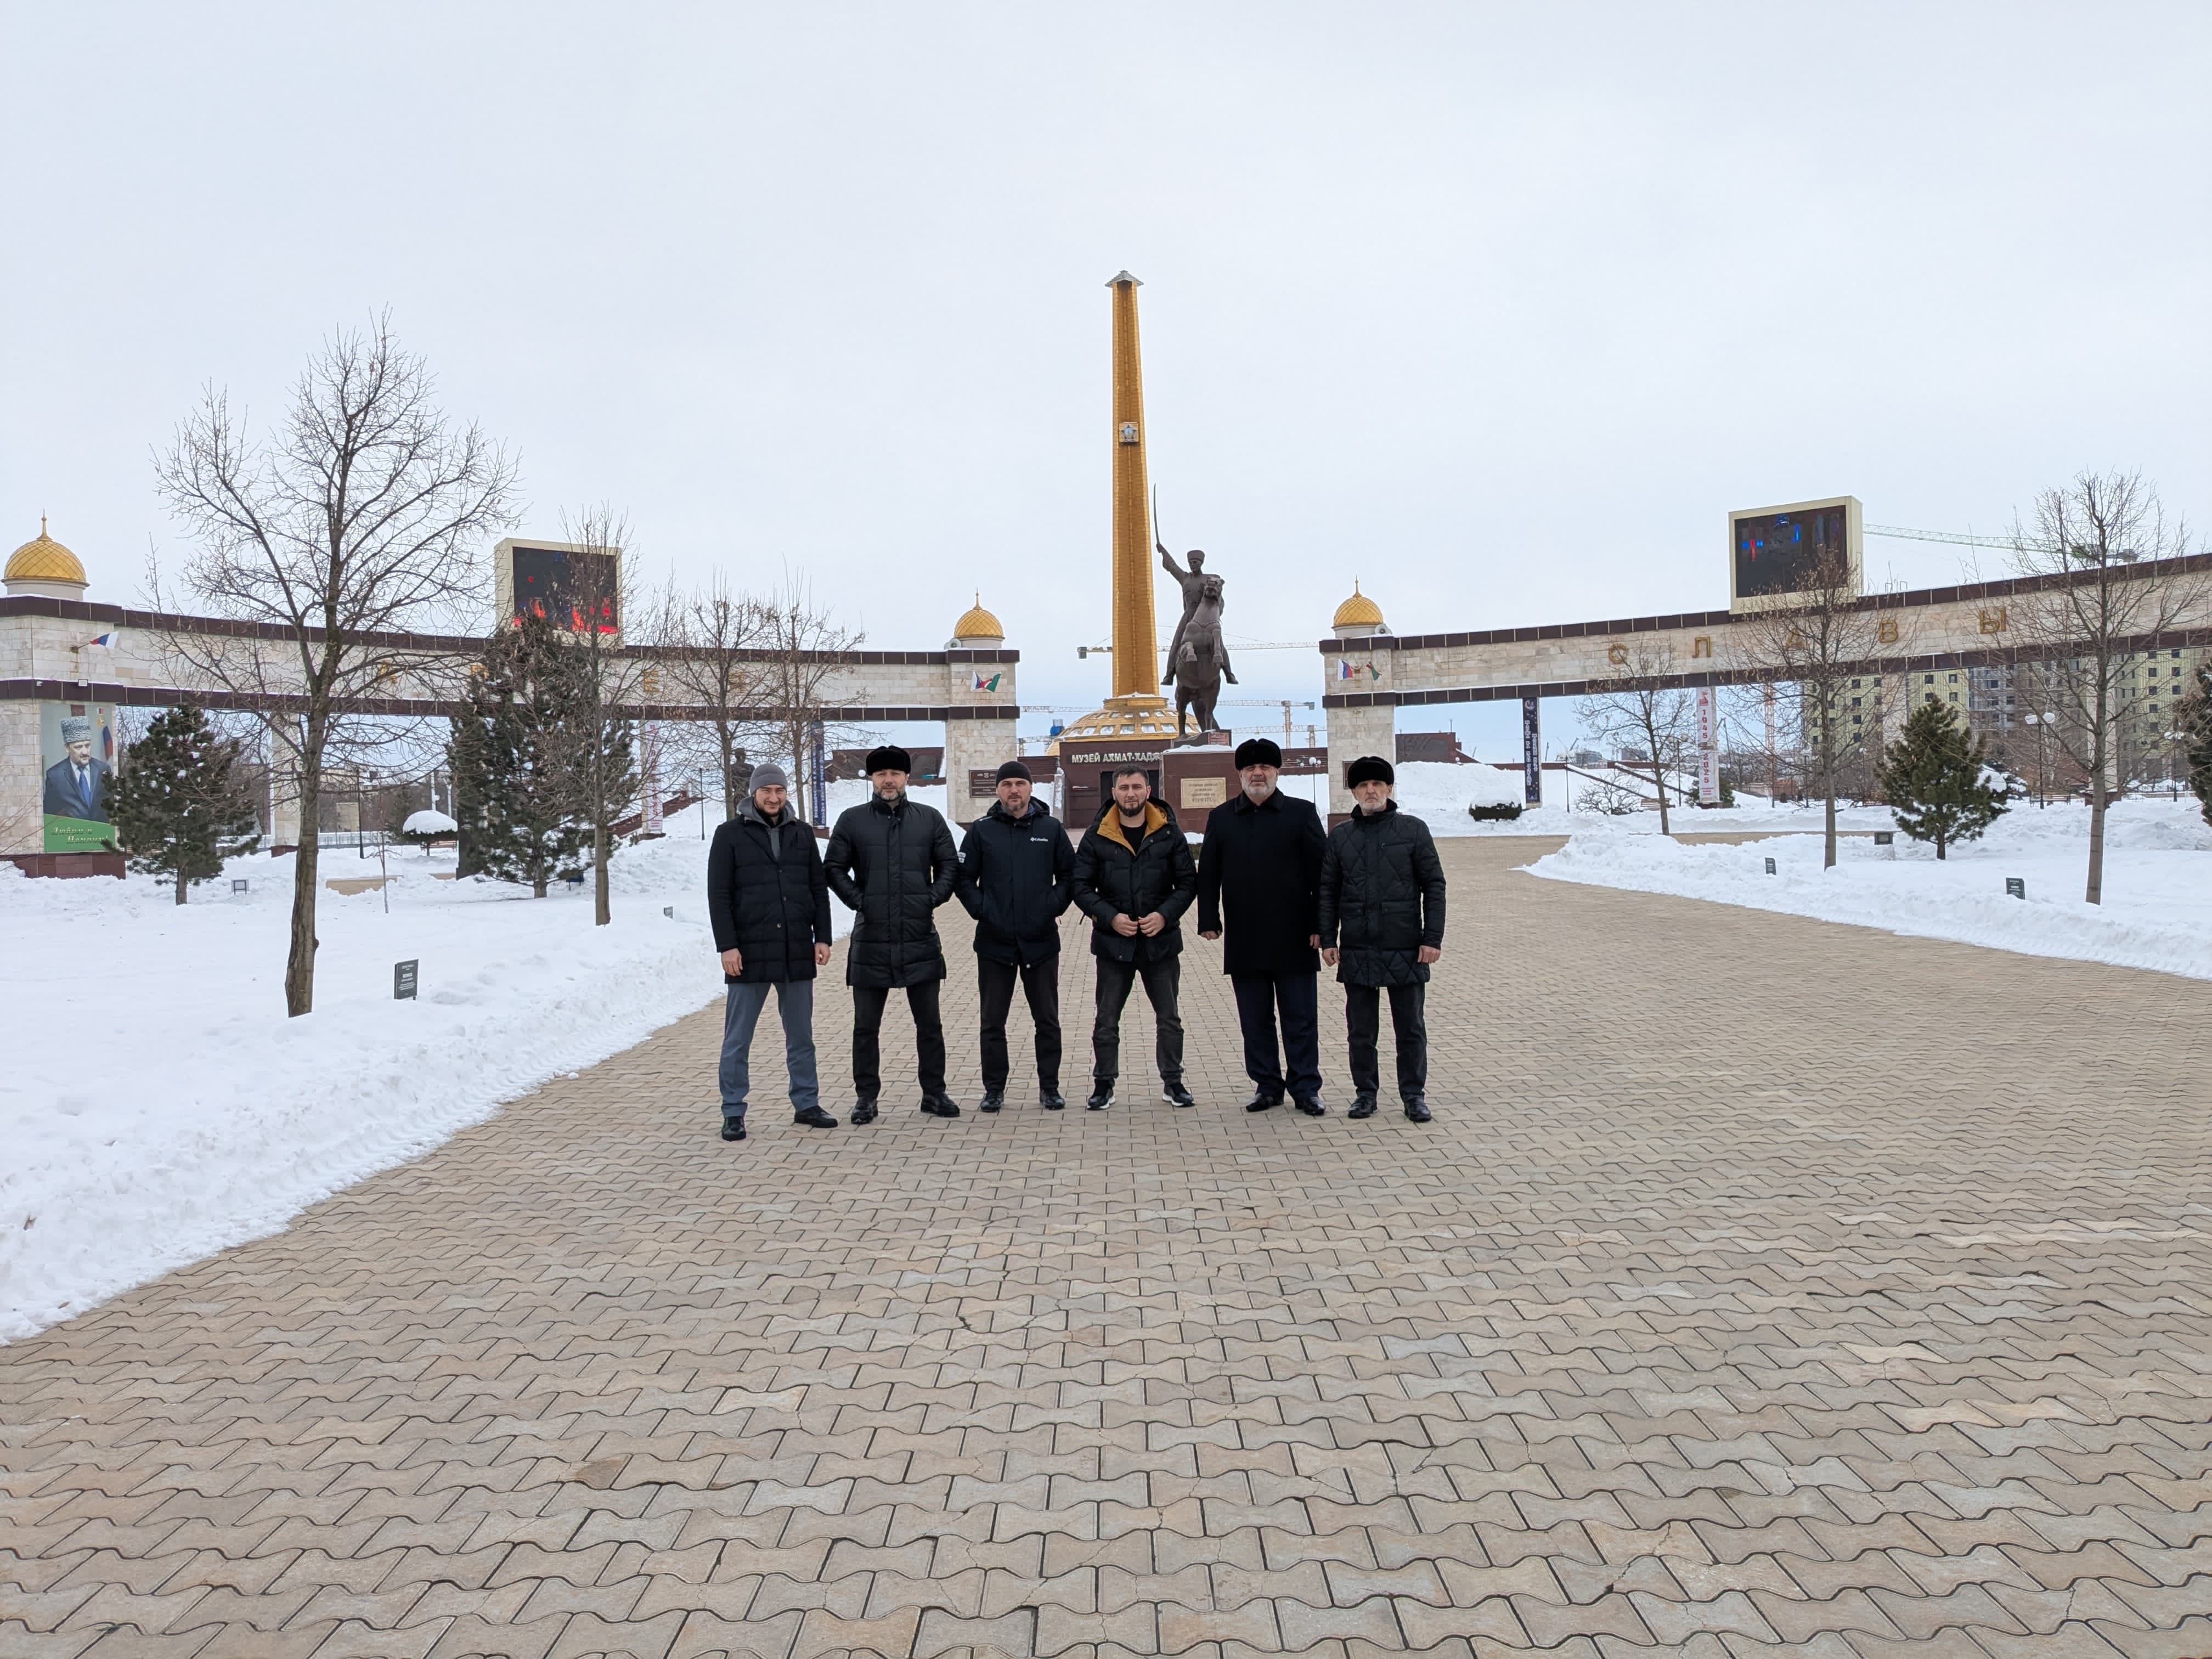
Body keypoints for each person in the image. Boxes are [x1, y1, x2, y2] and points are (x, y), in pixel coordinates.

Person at [824, 744, 961, 1121]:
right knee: (866, 1028)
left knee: (930, 1026)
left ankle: (934, 1093)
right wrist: (861, 901)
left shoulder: (929, 819)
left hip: (920, 937)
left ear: (906, 778)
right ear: (872, 778)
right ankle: (866, 1097)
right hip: (871, 939)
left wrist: (929, 899)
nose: (889, 780)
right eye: (882, 774)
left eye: (895, 774)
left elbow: (949, 866)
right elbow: (834, 868)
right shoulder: (852, 820)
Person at [1197, 737, 1329, 1116]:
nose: (1258, 774)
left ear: (1277, 772)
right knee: (1255, 1020)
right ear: (1240, 774)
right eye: (1250, 768)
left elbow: (1322, 875)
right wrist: (1209, 919)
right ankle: (1267, 1086)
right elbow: (1209, 873)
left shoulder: (1301, 813)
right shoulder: (1222, 817)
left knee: (1300, 1019)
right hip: (1246, 936)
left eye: (1265, 767)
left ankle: (1306, 1089)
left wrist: (1322, 925)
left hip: (1296, 935)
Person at [706, 763, 836, 1141]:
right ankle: (733, 1111)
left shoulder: (802, 833)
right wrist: (727, 946)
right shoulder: (729, 834)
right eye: (767, 791)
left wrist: (823, 937)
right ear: (754, 794)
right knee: (737, 1039)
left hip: (796, 950)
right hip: (748, 953)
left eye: (779, 790)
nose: (774, 797)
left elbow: (817, 889)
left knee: (801, 1037)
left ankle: (807, 1104)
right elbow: (719, 895)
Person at [1318, 756, 1447, 1124]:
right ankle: (1365, 1094)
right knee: (1361, 1032)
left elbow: (1434, 886)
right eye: (1362, 785)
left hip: (1406, 947)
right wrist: (1328, 938)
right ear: (1353, 792)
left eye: (1377, 784)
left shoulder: (1413, 830)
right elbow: (1328, 890)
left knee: (1410, 1030)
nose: (1370, 791)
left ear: (1389, 789)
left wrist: (1432, 938)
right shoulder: (1341, 836)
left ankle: (1414, 1095)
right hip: (1357, 947)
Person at [1071, 764, 1199, 1111]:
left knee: (1169, 1018)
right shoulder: (1098, 834)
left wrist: (1164, 915)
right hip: (1114, 944)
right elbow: (1080, 885)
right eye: (1124, 788)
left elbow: (1188, 882)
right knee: (1106, 1018)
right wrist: (1110, 918)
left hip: (1161, 943)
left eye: (1137, 787)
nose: (1131, 794)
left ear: (1148, 791)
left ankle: (1173, 1082)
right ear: (1114, 792)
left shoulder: (1168, 832)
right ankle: (1103, 1085)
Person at [955, 760, 1075, 1112]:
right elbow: (963, 879)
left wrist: (1050, 907)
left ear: (1030, 788)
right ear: (998, 790)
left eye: (1019, 784)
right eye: (1006, 784)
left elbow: (1070, 876)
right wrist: (983, 910)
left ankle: (1050, 1088)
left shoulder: (1051, 829)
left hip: (1040, 941)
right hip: (994, 942)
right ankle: (994, 1090)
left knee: (1047, 1020)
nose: (1014, 790)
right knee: (993, 1022)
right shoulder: (981, 831)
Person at [1158, 543, 1237, 690]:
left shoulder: (1209, 579)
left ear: (1201, 563)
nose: (1193, 565)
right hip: (1189, 615)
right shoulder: (1185, 578)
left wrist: (1216, 613)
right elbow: (1172, 566)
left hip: (1205, 616)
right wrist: (1163, 551)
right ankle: (1169, 675)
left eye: (1195, 562)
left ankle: (1229, 673)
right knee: (1177, 643)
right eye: (1191, 563)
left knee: (1219, 643)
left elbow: (1219, 599)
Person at [43, 715, 112, 822]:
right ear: (67, 748)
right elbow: (49, 815)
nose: (85, 752)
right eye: (79, 747)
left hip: (101, 832)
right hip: (71, 832)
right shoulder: (55, 776)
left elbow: (110, 807)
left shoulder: (103, 769)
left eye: (87, 746)